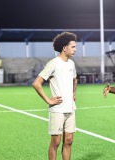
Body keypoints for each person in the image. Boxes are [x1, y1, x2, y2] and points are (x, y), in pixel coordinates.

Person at [32, 32, 78, 160]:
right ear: (65, 48)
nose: (75, 49)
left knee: (68, 141)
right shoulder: (53, 63)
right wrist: (48, 100)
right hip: (57, 109)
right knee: (56, 142)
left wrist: (74, 93)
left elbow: (75, 79)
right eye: (73, 47)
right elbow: (36, 83)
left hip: (70, 108)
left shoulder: (71, 64)